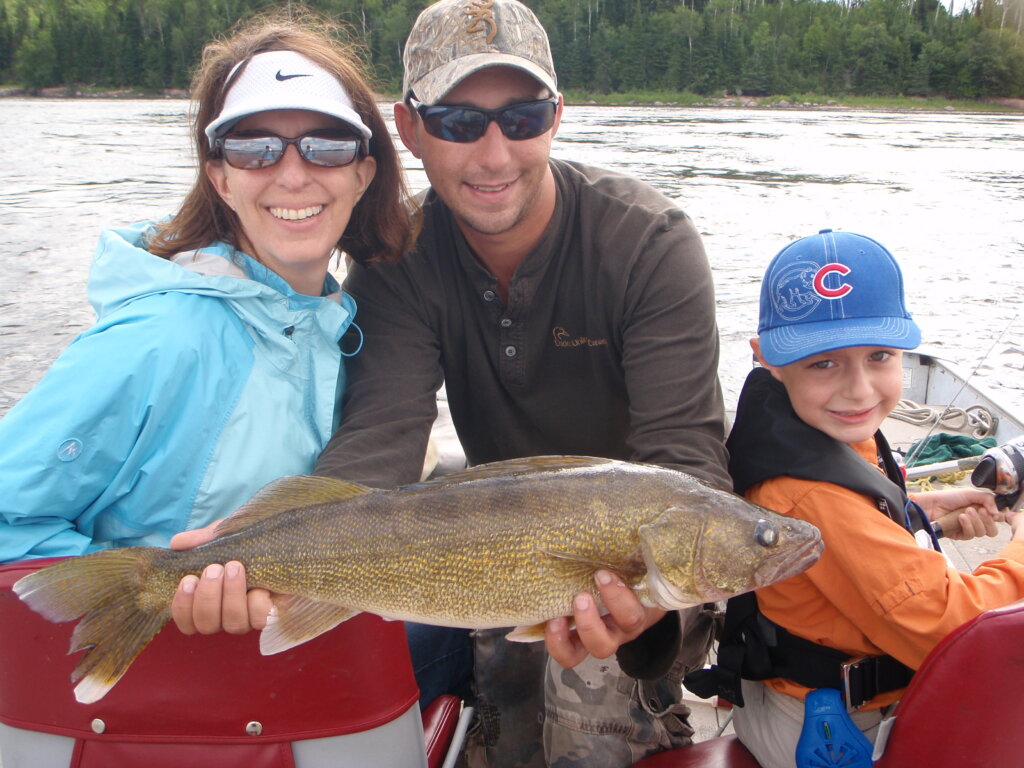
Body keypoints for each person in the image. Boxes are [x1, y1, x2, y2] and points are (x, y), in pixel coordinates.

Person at [171, 0, 730, 766]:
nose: (494, 155)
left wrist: (643, 612)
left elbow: (690, 465)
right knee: (500, 718)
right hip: (491, 542)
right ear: (409, 129)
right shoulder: (400, 256)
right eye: (460, 123)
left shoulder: (649, 244)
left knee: (588, 701)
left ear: (558, 116)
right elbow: (382, 443)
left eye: (523, 116)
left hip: (643, 556)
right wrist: (256, 551)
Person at [0, 12, 412, 563]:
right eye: (254, 148)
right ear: (221, 178)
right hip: (171, 646)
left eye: (327, 145)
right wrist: (166, 581)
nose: (292, 175)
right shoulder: (158, 339)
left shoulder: (338, 327)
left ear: (362, 175)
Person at [704, 229, 1024, 768]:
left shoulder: (824, 436)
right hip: (833, 731)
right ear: (766, 359)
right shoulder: (808, 493)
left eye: (879, 356)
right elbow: (956, 634)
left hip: (800, 701)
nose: (859, 390)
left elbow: (852, 538)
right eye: (822, 363)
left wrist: (924, 515)